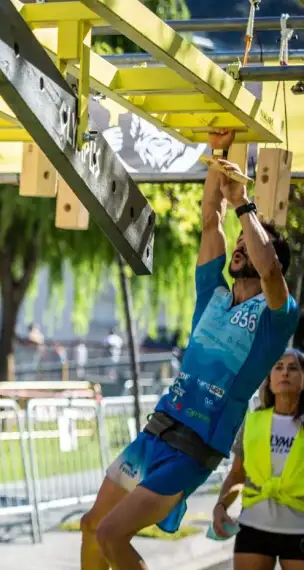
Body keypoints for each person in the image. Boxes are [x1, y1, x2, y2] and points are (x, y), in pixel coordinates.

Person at [79, 129, 299, 570]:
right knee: (92, 526)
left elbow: (271, 270)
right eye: (238, 247)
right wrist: (217, 156)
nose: (239, 248)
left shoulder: (277, 315)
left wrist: (243, 203)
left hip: (194, 448)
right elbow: (210, 222)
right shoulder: (212, 294)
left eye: (248, 245)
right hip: (155, 432)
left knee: (111, 534)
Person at [212, 349, 304, 569]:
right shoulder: (252, 423)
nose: (285, 373)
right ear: (269, 380)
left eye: (293, 368)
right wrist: (221, 505)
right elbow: (237, 475)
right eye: (278, 367)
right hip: (253, 528)